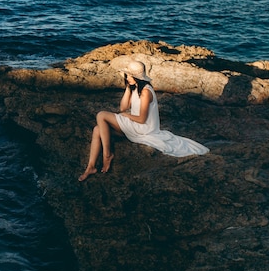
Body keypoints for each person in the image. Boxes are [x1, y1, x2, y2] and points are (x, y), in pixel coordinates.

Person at [78, 60, 209, 182]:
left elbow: (141, 119)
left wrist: (126, 116)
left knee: (101, 115)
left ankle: (107, 155)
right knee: (97, 130)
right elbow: (123, 107)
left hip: (143, 128)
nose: (126, 77)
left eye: (129, 75)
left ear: (136, 77)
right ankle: (91, 167)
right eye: (126, 75)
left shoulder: (146, 92)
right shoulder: (135, 88)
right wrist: (128, 88)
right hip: (134, 126)